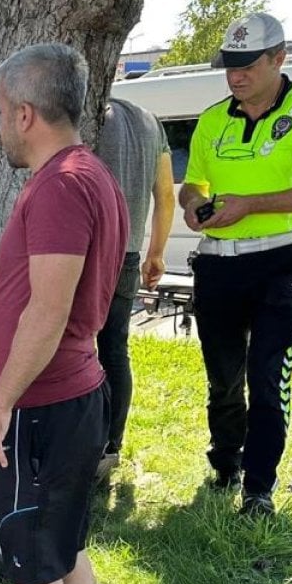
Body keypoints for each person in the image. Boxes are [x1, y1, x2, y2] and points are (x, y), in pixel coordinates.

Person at [0, 44, 127, 584]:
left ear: (26, 114)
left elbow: (48, 310)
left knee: (35, 571)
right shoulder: (87, 172)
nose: (0, 125)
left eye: (1, 111)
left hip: (41, 409)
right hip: (69, 399)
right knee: (63, 551)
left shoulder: (62, 184)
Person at [179, 13, 292, 517]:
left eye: (247, 66)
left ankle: (259, 489)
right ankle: (225, 461)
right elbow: (196, 184)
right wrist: (192, 202)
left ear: (279, 59)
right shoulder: (213, 120)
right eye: (229, 66)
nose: (235, 76)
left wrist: (252, 204)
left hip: (286, 262)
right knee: (225, 377)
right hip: (220, 266)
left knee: (268, 375)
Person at [93, 98, 175, 476]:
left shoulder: (91, 111)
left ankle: (73, 442)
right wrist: (155, 253)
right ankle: (112, 445)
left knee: (72, 351)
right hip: (128, 253)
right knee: (115, 351)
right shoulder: (148, 119)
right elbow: (166, 196)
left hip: (86, 251)